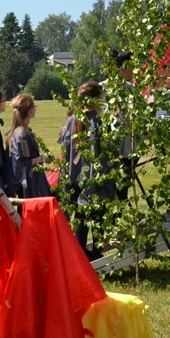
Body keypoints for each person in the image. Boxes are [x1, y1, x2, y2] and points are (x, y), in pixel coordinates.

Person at [59, 81, 117, 260]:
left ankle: (83, 252)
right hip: (95, 177)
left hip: (76, 177)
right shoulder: (97, 121)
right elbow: (103, 152)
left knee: (82, 217)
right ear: (96, 99)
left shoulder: (70, 120)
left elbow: (65, 151)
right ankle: (93, 253)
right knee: (97, 215)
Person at [6, 94, 52, 199]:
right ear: (31, 110)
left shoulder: (18, 131)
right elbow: (22, 162)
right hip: (29, 183)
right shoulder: (23, 134)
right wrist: (42, 159)